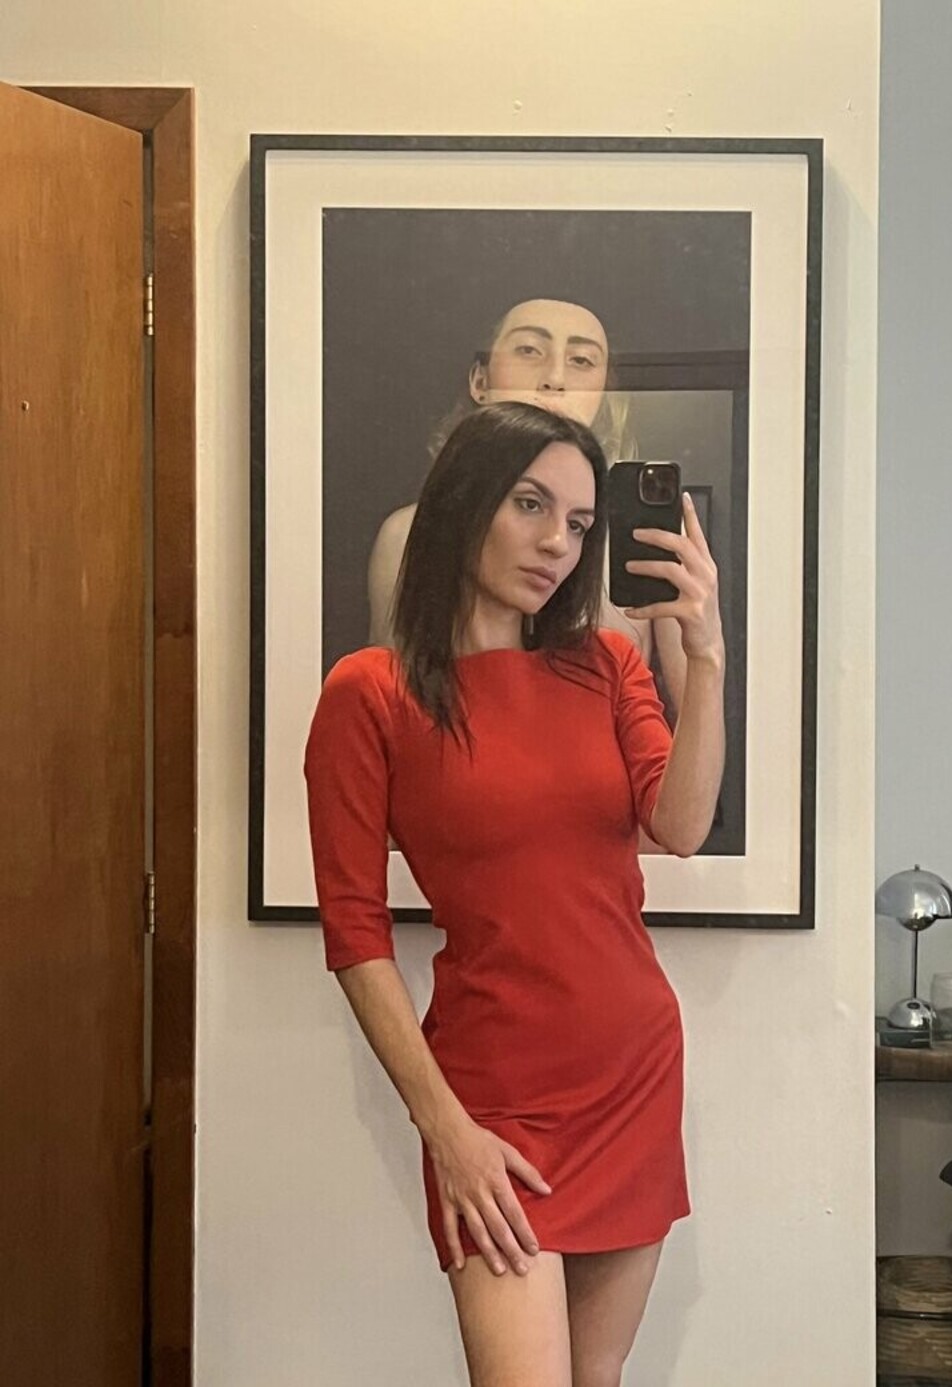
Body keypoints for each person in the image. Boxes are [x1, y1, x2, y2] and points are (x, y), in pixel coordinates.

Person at [305, 401, 725, 1387]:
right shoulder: (370, 694)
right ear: (465, 499)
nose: (556, 543)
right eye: (531, 504)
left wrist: (704, 658)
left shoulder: (606, 664)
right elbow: (356, 936)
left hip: (631, 1070)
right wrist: (446, 1131)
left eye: (578, 523)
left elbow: (681, 823)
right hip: (491, 1097)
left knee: (597, 1379)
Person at [365, 297, 689, 716]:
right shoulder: (407, 533)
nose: (554, 379)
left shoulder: (651, 539)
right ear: (480, 380)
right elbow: (388, 708)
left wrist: (707, 651)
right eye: (529, 350)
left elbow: (691, 715)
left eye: (581, 360)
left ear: (605, 393)